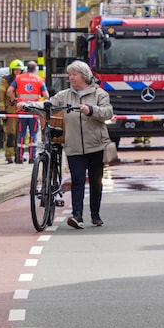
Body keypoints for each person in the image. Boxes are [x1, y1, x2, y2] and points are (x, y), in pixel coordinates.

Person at [48, 60, 113, 228]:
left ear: (84, 76)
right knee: (77, 180)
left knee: (96, 181)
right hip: (74, 145)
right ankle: (77, 216)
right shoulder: (64, 95)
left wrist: (91, 110)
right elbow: (49, 105)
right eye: (69, 74)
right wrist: (28, 106)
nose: (70, 78)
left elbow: (108, 113)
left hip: (96, 145)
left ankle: (95, 214)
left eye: (73, 75)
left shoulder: (100, 94)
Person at [8, 60, 49, 164]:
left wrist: (14, 99)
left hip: (21, 111)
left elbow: (9, 90)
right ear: (35, 69)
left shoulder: (19, 78)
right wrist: (39, 103)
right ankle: (32, 158)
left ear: (26, 68)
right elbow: (46, 96)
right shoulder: (39, 80)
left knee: (21, 134)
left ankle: (19, 158)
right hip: (34, 112)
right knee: (33, 135)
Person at [0, 59, 23, 163]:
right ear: (11, 70)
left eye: (19, 70)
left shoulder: (22, 80)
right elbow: (1, 96)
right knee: (10, 134)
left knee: (20, 134)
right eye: (15, 70)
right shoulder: (6, 81)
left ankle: (19, 155)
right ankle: (9, 156)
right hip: (10, 111)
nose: (17, 72)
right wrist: (2, 110)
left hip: (21, 111)